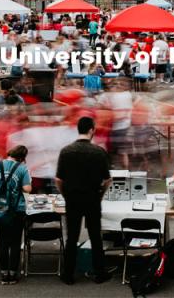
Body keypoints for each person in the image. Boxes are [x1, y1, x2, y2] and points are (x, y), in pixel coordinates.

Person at [55, 117, 115, 285]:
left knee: (72, 237)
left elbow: (58, 179)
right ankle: (100, 273)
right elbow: (107, 180)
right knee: (96, 236)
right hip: (92, 198)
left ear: (78, 129)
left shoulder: (66, 151)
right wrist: (100, 195)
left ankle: (68, 275)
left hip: (72, 199)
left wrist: (66, 195)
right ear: (91, 130)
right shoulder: (98, 152)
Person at [0, 145, 32, 285]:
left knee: (3, 243)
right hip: (17, 211)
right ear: (22, 157)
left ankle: (4, 275)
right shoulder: (22, 168)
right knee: (16, 243)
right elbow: (27, 189)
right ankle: (13, 274)